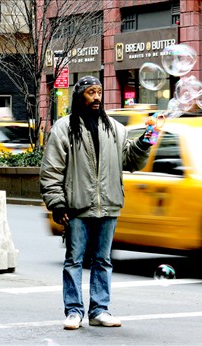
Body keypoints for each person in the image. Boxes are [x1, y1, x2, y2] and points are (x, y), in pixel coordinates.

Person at [40, 76, 152, 330]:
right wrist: (56, 203)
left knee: (103, 261)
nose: (97, 98)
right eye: (91, 92)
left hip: (109, 204)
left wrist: (146, 140)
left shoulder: (115, 128)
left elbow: (130, 161)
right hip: (77, 205)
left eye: (99, 92)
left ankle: (99, 310)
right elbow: (51, 169)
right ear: (80, 96)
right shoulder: (64, 128)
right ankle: (74, 311)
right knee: (74, 261)